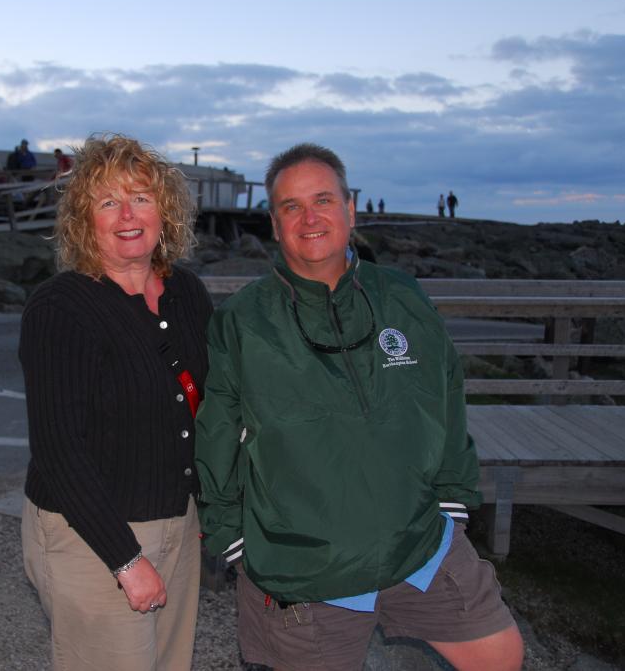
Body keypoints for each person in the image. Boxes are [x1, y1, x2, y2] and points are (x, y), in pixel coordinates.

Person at [195, 143, 523, 671]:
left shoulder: (403, 296)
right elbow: (217, 435)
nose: (310, 218)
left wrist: (454, 497)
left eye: (323, 200)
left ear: (350, 209)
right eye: (291, 206)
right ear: (275, 225)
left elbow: (446, 393)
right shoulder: (242, 321)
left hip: (419, 541)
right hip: (304, 567)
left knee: (500, 655)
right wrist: (230, 537)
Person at [19, 133, 213, 671]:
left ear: (164, 210)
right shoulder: (60, 309)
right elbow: (58, 450)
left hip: (178, 523)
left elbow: (209, 408)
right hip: (92, 535)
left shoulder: (187, 293)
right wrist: (126, 560)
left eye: (141, 198)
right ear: (85, 221)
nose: (127, 215)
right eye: (108, 202)